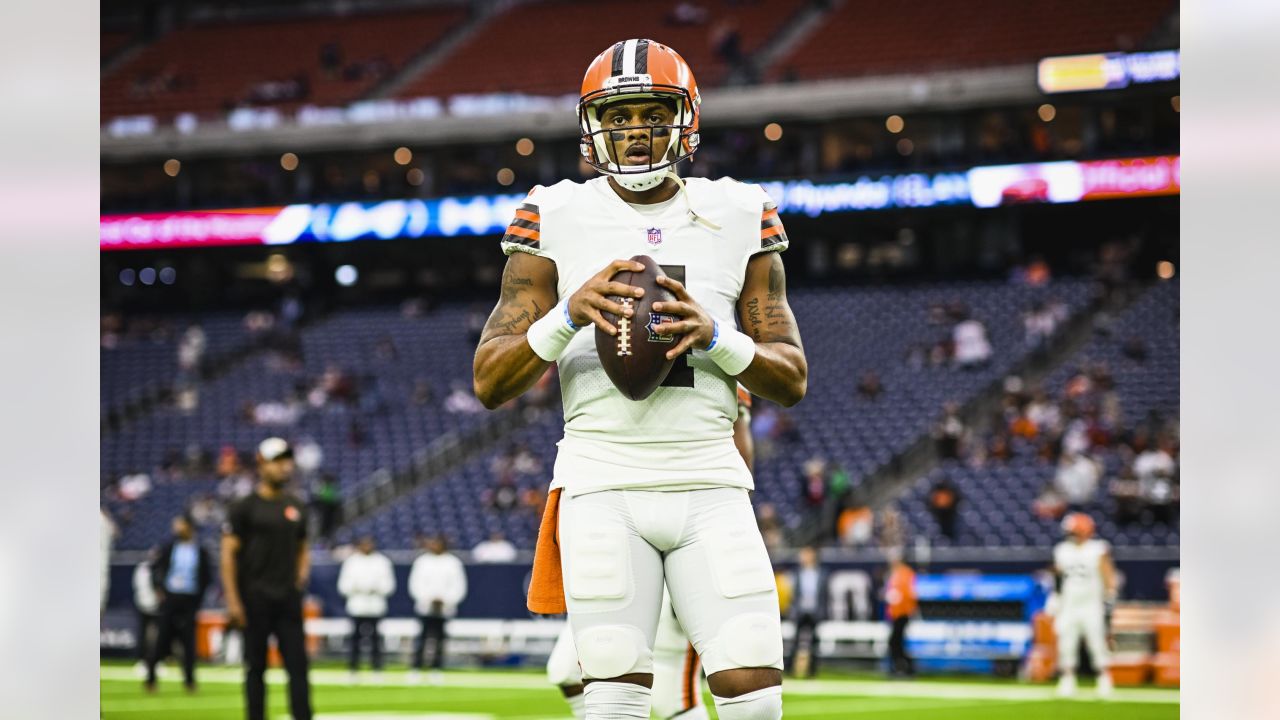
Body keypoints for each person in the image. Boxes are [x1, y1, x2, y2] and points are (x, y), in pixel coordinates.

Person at [474, 39, 807, 720]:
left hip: (711, 480)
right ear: (593, 125)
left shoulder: (739, 209)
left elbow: (791, 376)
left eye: (651, 113)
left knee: (756, 701)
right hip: (601, 482)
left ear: (684, 119)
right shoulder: (554, 212)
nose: (633, 131)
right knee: (613, 701)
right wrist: (567, 314)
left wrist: (716, 338)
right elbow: (489, 378)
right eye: (617, 116)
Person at [548, 387, 754, 720]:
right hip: (613, 518)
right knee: (567, 671)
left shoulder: (715, 366)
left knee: (675, 696)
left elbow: (738, 450)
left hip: (683, 522)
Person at [221, 438, 313, 720]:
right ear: (261, 464)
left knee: (298, 667)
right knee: (255, 668)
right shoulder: (244, 507)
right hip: (255, 597)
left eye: (287, 461)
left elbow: (303, 548)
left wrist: (299, 579)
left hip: (287, 598)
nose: (284, 467)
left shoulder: (296, 505)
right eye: (277, 461)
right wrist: (234, 601)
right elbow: (228, 555)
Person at [1050, 512, 1116, 698]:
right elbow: (1058, 576)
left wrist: (1110, 596)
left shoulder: (1098, 549)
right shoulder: (1062, 550)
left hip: (1091, 603)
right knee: (1066, 642)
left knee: (1096, 642)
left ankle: (1104, 678)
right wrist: (1056, 597)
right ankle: (1068, 679)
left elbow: (1108, 574)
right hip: (1069, 604)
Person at [145, 514, 214, 693]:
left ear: (189, 527)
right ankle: (151, 679)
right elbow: (154, 569)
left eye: (181, 525)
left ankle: (189, 681)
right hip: (171, 599)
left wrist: (198, 599)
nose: (177, 528)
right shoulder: (169, 548)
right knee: (161, 640)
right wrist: (159, 589)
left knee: (189, 642)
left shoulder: (200, 550)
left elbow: (207, 577)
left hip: (189, 600)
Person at [408, 535, 468, 682]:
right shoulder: (422, 562)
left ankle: (437, 668)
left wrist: (445, 599)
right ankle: (416, 668)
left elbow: (458, 586)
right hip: (425, 607)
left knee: (440, 640)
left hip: (444, 608)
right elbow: (415, 585)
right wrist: (428, 598)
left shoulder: (453, 563)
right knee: (422, 639)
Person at [337, 536, 396, 681]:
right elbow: (343, 585)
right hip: (357, 606)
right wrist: (359, 588)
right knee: (355, 639)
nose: (366, 547)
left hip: (375, 606)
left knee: (376, 639)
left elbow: (389, 585)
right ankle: (353, 669)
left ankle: (377, 668)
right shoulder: (351, 562)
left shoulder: (382, 562)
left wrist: (374, 588)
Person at [787, 547, 828, 678]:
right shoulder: (797, 573)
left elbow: (824, 596)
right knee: (796, 641)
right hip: (801, 611)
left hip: (814, 611)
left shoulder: (821, 573)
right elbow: (794, 595)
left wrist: (822, 612)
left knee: (814, 642)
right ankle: (790, 669)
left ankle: (812, 670)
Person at [884, 552, 917, 677]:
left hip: (902, 613)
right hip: (895, 613)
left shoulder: (905, 573)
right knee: (896, 642)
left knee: (895, 642)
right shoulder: (896, 573)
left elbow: (909, 593)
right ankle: (901, 667)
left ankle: (903, 668)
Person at [132, 548, 161, 674]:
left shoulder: (159, 568)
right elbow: (139, 587)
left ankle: (156, 661)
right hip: (145, 606)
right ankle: (143, 661)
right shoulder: (143, 569)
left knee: (157, 636)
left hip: (156, 606)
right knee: (144, 635)